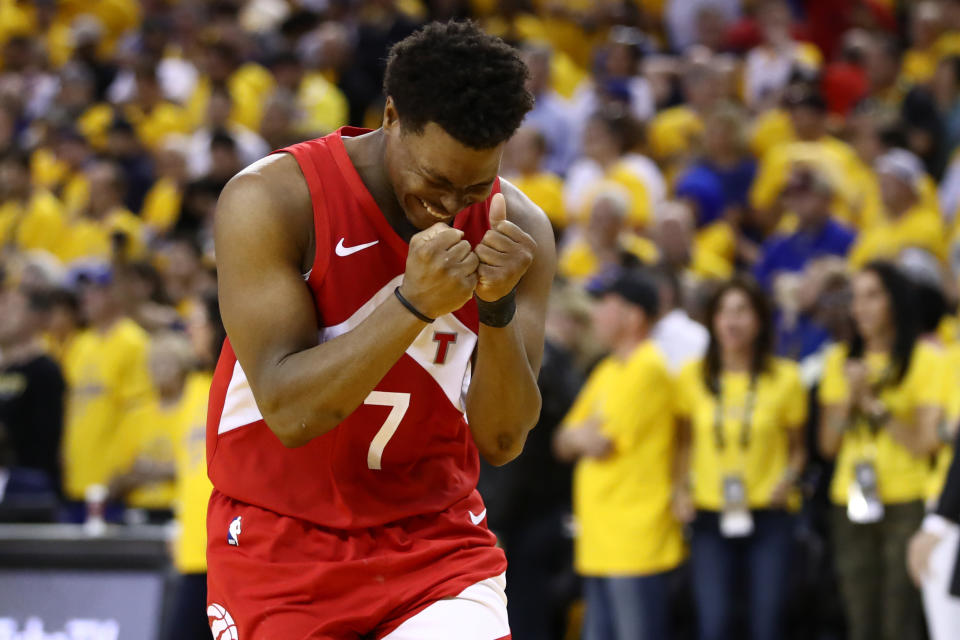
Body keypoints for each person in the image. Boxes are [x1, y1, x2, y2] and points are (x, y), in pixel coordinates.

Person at [206, 21, 555, 639]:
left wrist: (496, 309)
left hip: (433, 542)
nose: (452, 205)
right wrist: (412, 305)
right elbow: (290, 413)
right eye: (438, 182)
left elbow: (502, 440)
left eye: (474, 185)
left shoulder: (515, 226)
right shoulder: (273, 200)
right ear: (391, 116)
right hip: (281, 538)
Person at [672, 276, 807, 640]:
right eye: (723, 312)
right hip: (709, 516)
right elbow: (683, 445)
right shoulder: (691, 377)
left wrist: (789, 480)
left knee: (767, 624)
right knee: (714, 625)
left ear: (760, 320)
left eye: (742, 311)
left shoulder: (787, 378)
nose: (732, 321)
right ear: (712, 321)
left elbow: (799, 449)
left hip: (770, 515)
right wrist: (679, 491)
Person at [553, 268, 684, 640]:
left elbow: (600, 442)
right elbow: (563, 441)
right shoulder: (608, 369)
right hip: (602, 537)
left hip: (636, 540)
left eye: (605, 305)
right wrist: (581, 436)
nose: (595, 314)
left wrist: (581, 436)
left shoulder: (649, 368)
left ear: (633, 316)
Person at [818, 261, 944, 640]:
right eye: (856, 298)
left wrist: (873, 403)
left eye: (873, 296)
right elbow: (828, 444)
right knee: (861, 618)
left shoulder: (926, 359)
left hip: (906, 500)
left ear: (896, 301)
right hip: (850, 499)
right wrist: (847, 401)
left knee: (899, 619)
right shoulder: (839, 360)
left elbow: (924, 443)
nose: (861, 308)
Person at [60, 263, 152, 506]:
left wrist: (123, 470)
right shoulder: (80, 343)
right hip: (75, 479)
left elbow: (138, 412)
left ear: (116, 293)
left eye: (96, 290)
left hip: (111, 483)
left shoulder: (133, 342)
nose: (85, 297)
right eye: (84, 291)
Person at [0, 284, 65, 496]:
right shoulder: (5, 370)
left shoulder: (45, 370)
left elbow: (47, 438)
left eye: (10, 308)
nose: (2, 314)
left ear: (36, 318)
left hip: (32, 487)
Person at [753, 166, 857, 292]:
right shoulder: (777, 245)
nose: (797, 202)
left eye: (805, 195)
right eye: (792, 195)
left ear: (825, 198)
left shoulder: (847, 240)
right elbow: (757, 288)